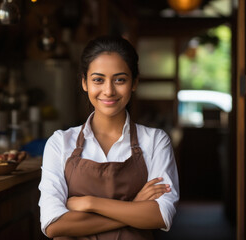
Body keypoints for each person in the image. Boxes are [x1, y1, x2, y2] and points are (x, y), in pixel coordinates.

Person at [38, 36, 179, 239]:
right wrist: (133, 208)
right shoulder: (60, 143)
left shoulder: (155, 141)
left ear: (134, 83)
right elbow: (54, 225)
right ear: (84, 83)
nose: (109, 90)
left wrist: (90, 203)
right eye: (98, 80)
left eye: (120, 80)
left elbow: (159, 216)